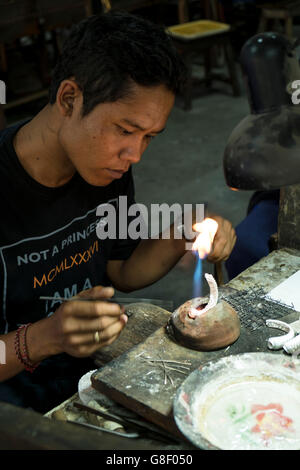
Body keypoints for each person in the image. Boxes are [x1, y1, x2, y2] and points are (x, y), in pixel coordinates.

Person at [0, 11, 236, 413]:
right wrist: (42, 339)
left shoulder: (106, 171)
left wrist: (183, 234)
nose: (135, 155)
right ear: (69, 99)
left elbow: (122, 271)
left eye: (149, 137)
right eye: (125, 130)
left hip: (87, 379)